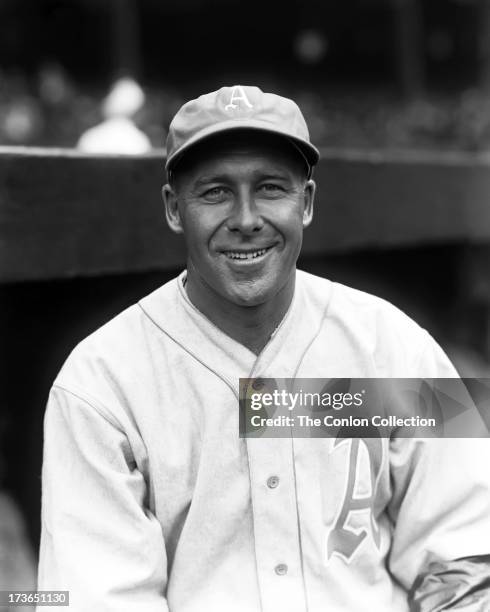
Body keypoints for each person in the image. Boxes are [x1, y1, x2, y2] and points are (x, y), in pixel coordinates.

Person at [38, 85, 490, 611]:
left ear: (308, 203)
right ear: (173, 208)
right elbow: (95, 597)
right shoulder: (99, 381)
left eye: (271, 187)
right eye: (215, 192)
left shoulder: (396, 344)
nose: (247, 218)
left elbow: (465, 548)